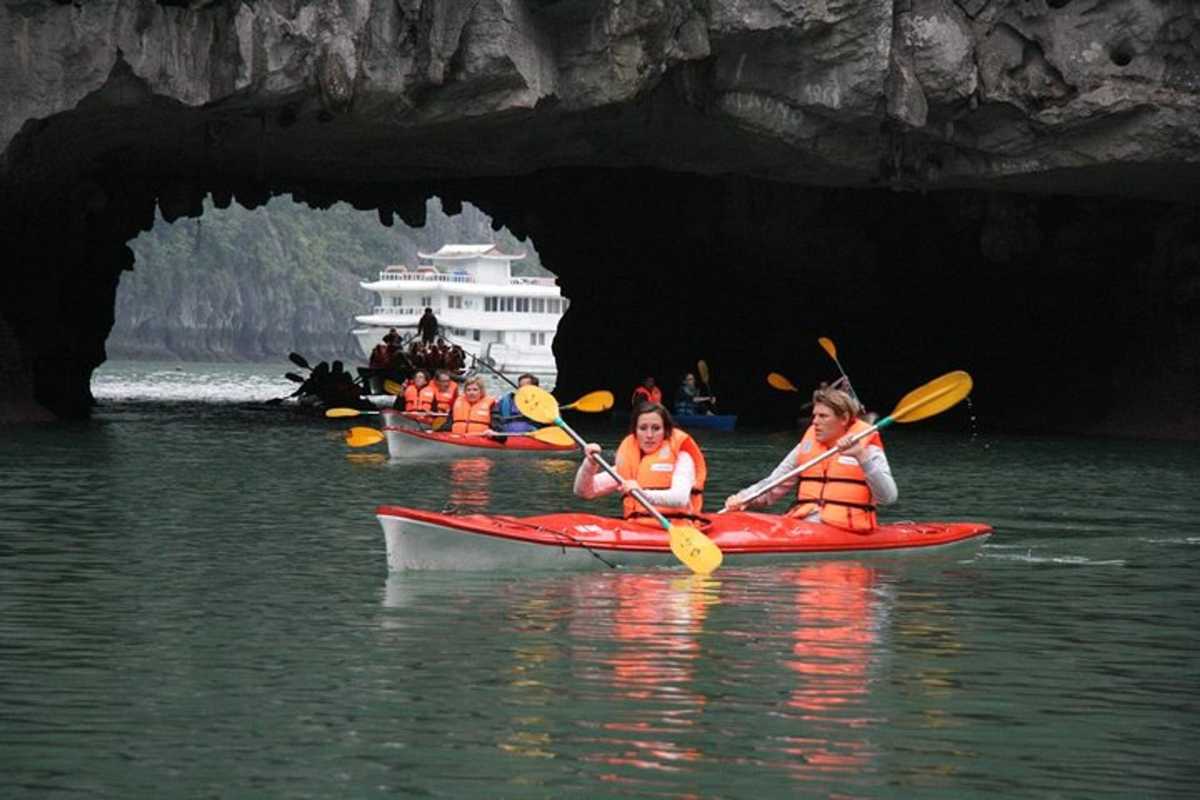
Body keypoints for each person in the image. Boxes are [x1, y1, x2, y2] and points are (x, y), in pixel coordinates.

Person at [723, 384, 896, 531]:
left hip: (846, 530)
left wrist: (862, 457)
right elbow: (773, 484)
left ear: (843, 419)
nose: (814, 422)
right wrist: (743, 498)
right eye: (814, 415)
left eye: (823, 416)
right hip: (804, 524)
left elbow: (888, 497)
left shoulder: (867, 449)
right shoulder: (805, 447)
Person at [574, 401, 707, 524]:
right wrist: (589, 464)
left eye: (656, 428)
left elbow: (680, 498)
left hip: (676, 529)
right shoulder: (629, 463)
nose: (649, 435)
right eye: (643, 428)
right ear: (635, 432)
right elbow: (584, 492)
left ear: (666, 431)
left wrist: (642, 494)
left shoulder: (683, 458)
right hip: (637, 529)